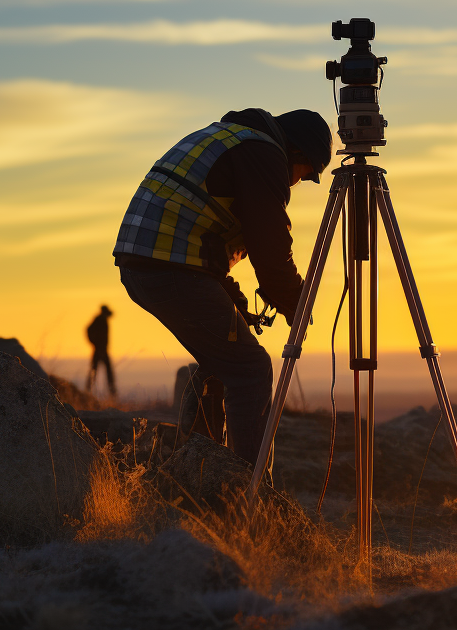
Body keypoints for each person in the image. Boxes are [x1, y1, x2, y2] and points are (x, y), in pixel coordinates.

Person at [113, 107, 332, 464]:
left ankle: (200, 470)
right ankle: (248, 491)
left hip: (146, 260)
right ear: (297, 153)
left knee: (223, 361)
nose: (296, 184)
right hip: (165, 266)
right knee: (250, 370)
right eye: (304, 175)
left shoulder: (230, 139)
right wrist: (296, 303)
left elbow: (195, 220)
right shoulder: (263, 154)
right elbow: (270, 247)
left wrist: (227, 293)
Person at [85, 305, 116, 397]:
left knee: (98, 371)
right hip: (99, 349)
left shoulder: (102, 319)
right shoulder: (99, 319)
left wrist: (94, 343)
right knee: (96, 371)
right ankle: (88, 392)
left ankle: (111, 393)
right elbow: (88, 329)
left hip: (102, 349)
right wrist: (94, 343)